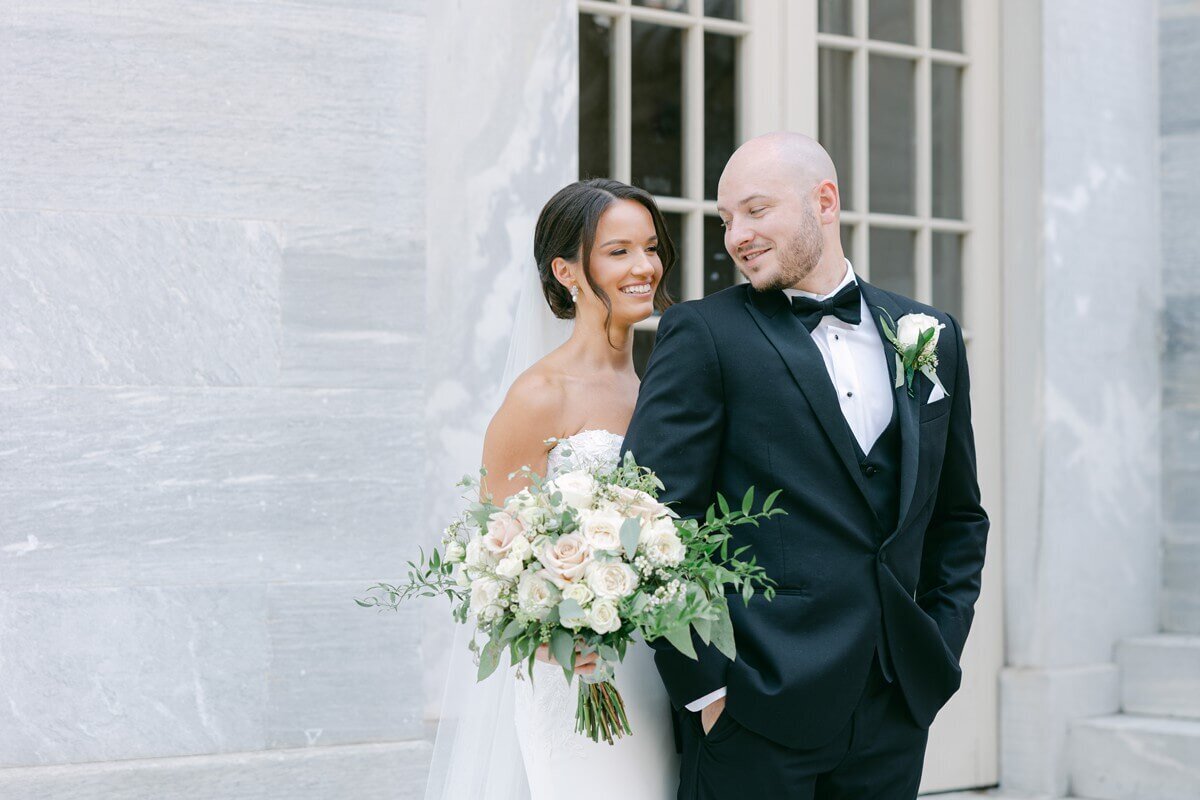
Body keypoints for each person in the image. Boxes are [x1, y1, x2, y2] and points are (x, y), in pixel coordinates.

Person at [623, 132, 990, 799]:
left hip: (892, 709)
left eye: (755, 210)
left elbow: (959, 517)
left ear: (824, 201)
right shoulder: (704, 334)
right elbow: (649, 519)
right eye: (726, 219)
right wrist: (707, 689)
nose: (736, 235)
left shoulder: (928, 334)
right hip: (753, 713)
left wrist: (935, 648)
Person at [423, 178, 680, 800]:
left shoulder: (663, 388)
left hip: (661, 665)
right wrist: (557, 635)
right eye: (618, 251)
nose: (644, 266)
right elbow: (495, 554)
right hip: (577, 677)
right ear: (567, 270)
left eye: (650, 247)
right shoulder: (541, 395)